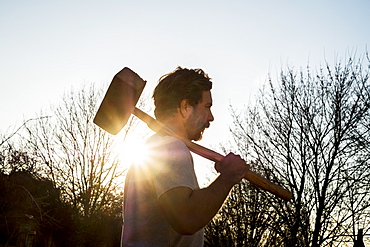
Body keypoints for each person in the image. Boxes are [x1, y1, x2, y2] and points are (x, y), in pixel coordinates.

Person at [121, 67, 249, 247]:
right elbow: (187, 219)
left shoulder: (156, 147)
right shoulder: (169, 147)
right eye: (207, 107)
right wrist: (227, 178)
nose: (211, 117)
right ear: (185, 107)